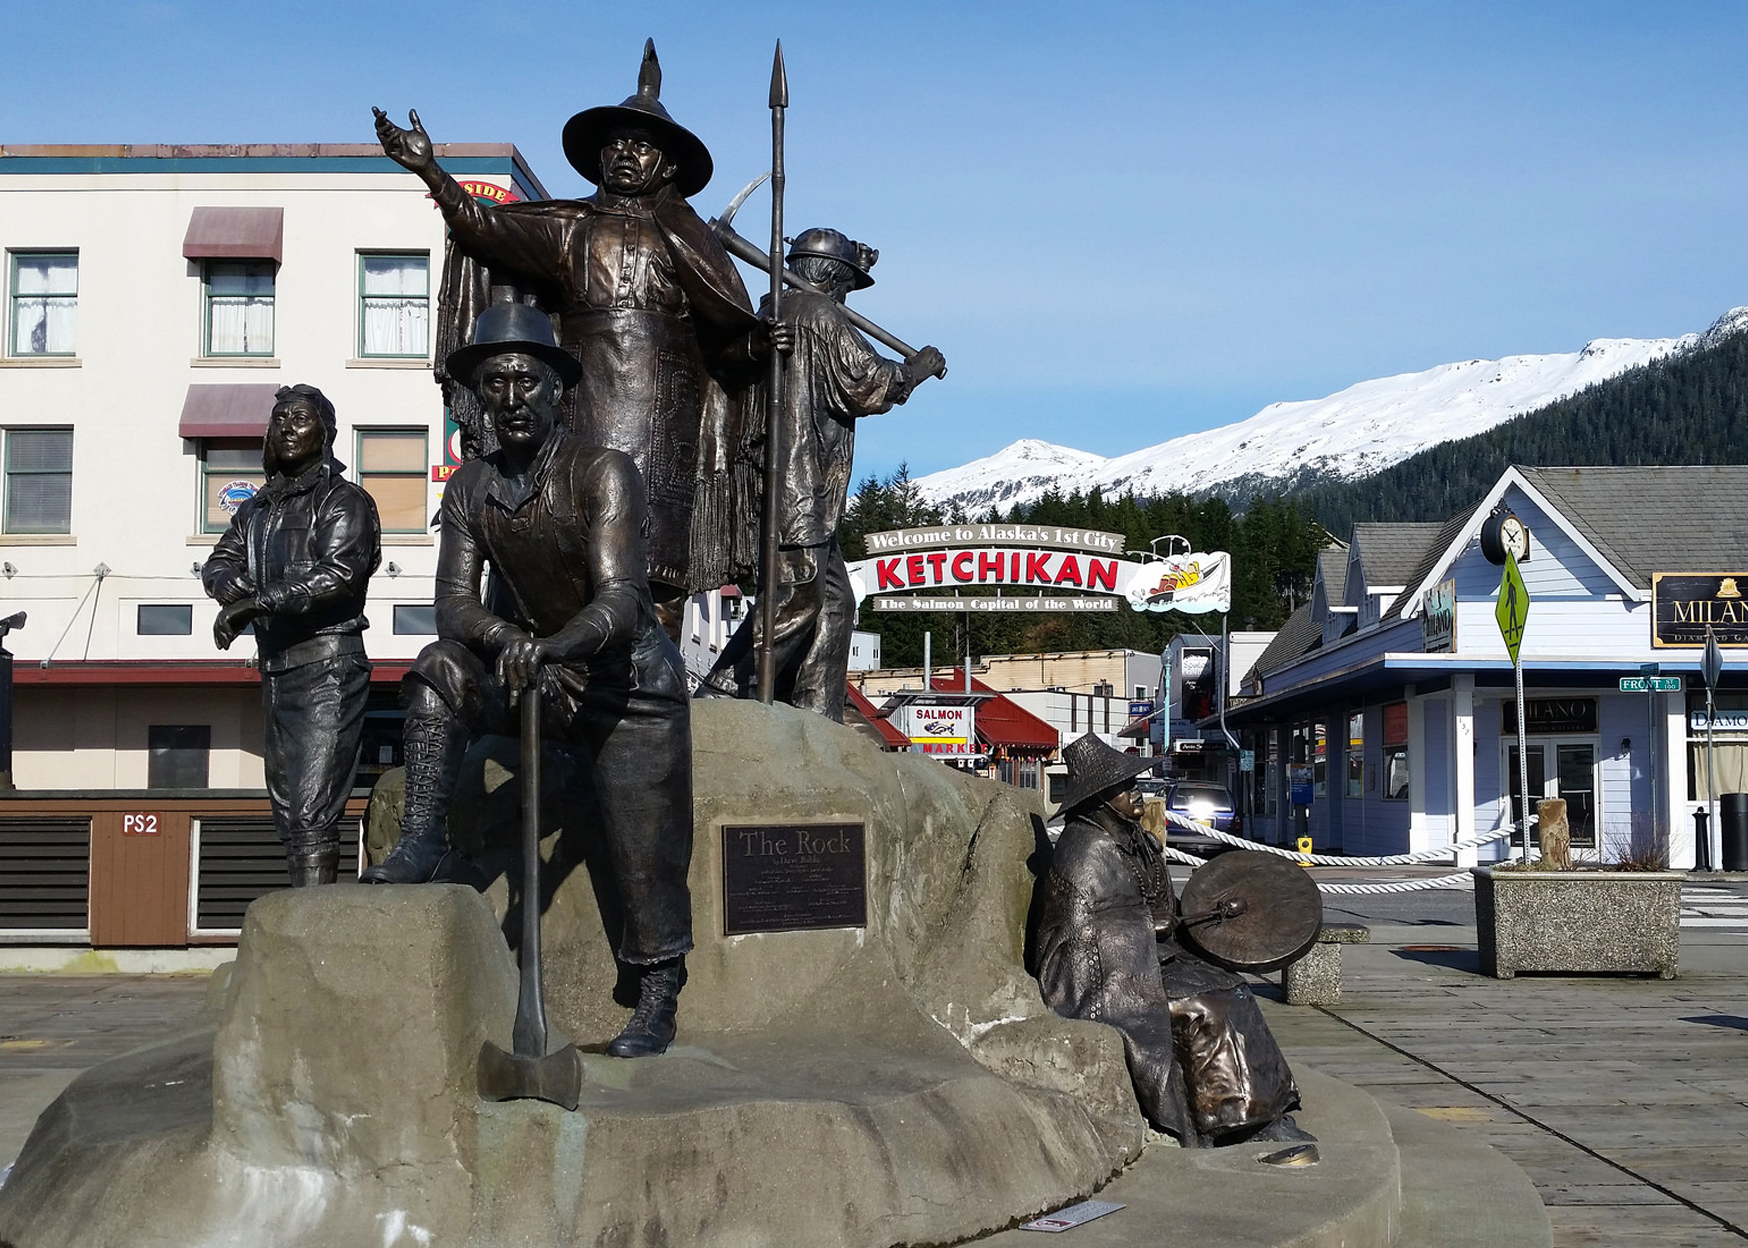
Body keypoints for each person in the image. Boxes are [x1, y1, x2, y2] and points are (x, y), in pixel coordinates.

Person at [361, 302, 693, 1059]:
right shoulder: (471, 485)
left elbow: (622, 597)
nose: (510, 399)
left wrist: (558, 648)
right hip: (532, 668)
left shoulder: (602, 473)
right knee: (438, 670)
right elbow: (451, 604)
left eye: (525, 381)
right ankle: (422, 843)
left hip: (622, 682)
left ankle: (656, 988)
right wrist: (512, 640)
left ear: (557, 391)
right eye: (494, 384)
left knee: (644, 844)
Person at [372, 40, 766, 610]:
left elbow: (729, 339)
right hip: (583, 409)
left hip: (669, 427)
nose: (626, 154)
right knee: (569, 554)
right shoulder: (572, 229)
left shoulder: (695, 241)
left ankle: (653, 696)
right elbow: (487, 230)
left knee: (655, 579)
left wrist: (761, 341)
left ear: (670, 165)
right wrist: (431, 171)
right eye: (615, 144)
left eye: (642, 146)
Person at [697, 227, 945, 718]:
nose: (846, 295)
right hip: (800, 485)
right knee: (795, 599)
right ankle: (727, 691)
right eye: (848, 285)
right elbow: (869, 383)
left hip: (786, 487)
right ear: (833, 277)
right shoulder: (818, 313)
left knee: (835, 602)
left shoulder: (772, 311)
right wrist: (916, 369)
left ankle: (817, 708)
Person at [1033, 734, 1312, 1147]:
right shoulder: (1083, 852)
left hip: (1154, 957)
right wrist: (1146, 927)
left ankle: (1266, 1110)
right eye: (1126, 788)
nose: (1137, 793)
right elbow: (1074, 939)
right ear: (1101, 798)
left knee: (1230, 984)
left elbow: (1163, 902)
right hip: (1108, 975)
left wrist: (1194, 919)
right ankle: (1230, 1119)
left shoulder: (1138, 841)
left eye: (1136, 785)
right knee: (1204, 1004)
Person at [202, 385, 382, 886]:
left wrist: (255, 603)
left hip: (328, 667)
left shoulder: (345, 501)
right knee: (288, 811)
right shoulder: (258, 508)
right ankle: (301, 928)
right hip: (277, 669)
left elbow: (338, 575)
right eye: (279, 419)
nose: (286, 428)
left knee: (312, 808)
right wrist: (229, 587)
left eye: (300, 420)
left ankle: (313, 933)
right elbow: (220, 561)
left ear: (325, 433)